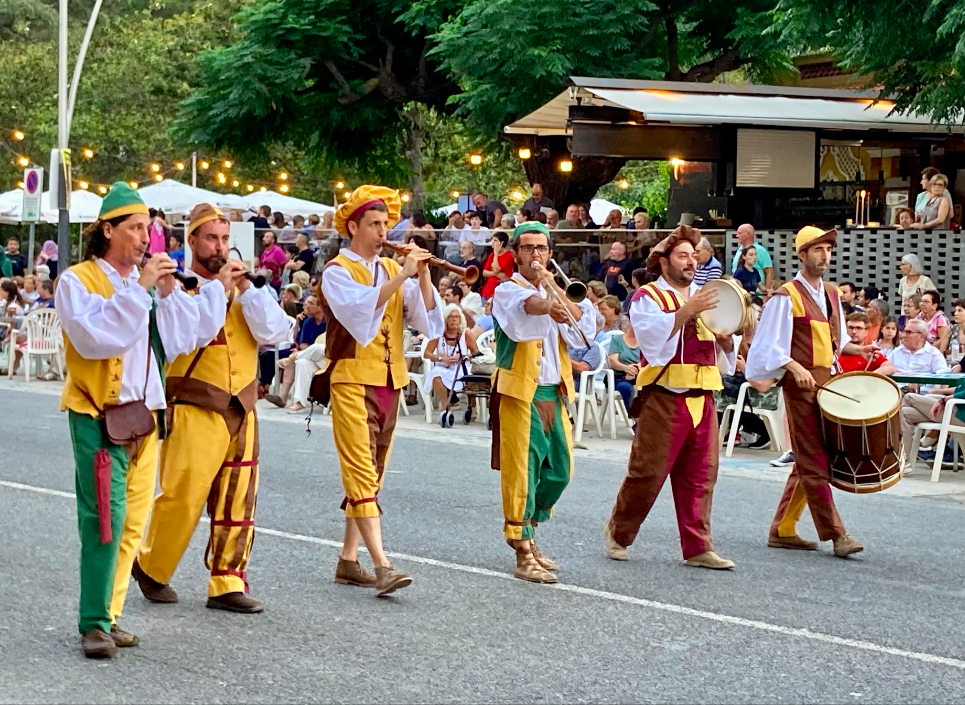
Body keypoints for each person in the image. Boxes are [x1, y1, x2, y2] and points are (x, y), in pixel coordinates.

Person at [56, 182, 208, 658]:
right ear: (108, 230)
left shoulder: (140, 286)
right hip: (98, 416)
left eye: (149, 229)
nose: (146, 238)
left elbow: (185, 338)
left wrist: (169, 294)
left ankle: (110, 614)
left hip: (145, 416)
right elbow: (97, 339)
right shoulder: (76, 281)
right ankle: (93, 623)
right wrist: (142, 289)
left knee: (132, 523)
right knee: (105, 519)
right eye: (136, 228)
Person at [132, 203, 290, 616]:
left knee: (239, 498)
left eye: (224, 239)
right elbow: (185, 339)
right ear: (193, 241)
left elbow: (276, 332)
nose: (220, 247)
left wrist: (251, 291)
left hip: (243, 405)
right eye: (211, 238)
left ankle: (227, 580)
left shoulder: (245, 289)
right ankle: (151, 565)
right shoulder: (179, 287)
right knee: (183, 495)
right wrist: (216, 288)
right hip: (194, 403)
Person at [318, 185, 439, 596]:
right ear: (353, 227)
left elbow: (425, 320)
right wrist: (403, 272)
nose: (382, 231)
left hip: (390, 378)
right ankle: (383, 565)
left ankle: (348, 561)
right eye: (374, 224)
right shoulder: (337, 270)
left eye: (385, 223)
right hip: (352, 378)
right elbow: (358, 312)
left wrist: (421, 273)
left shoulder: (391, 268)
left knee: (372, 474)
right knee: (361, 472)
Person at [603, 225, 736, 570]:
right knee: (648, 473)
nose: (691, 262)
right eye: (683, 256)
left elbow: (721, 359)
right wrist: (687, 310)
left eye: (694, 256)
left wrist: (726, 344)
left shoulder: (705, 297)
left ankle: (698, 547)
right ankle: (619, 532)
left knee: (701, 475)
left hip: (703, 397)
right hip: (664, 396)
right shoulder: (647, 296)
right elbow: (651, 343)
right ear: (663, 262)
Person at [745, 226, 869, 558]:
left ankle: (782, 529)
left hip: (827, 383)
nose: (825, 255)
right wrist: (793, 367)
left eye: (828, 249)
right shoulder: (786, 295)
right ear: (801, 255)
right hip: (800, 386)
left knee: (811, 458)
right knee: (814, 458)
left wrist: (860, 349)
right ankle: (836, 534)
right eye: (818, 249)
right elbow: (766, 347)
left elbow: (838, 341)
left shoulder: (830, 293)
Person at [491, 221, 595, 583]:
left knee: (560, 472)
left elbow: (582, 329)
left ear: (551, 254)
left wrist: (560, 294)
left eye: (542, 249)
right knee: (523, 471)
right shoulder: (507, 291)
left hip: (555, 391)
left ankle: (530, 531)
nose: (536, 255)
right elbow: (531, 308)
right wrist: (549, 300)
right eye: (528, 248)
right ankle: (522, 548)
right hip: (522, 391)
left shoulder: (559, 290)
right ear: (516, 254)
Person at [896, 318, 952, 467]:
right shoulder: (898, 351)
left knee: (908, 398)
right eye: (904, 331)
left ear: (921, 335)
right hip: (901, 393)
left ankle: (894, 454)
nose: (903, 335)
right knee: (905, 412)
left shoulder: (933, 353)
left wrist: (936, 392)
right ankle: (903, 462)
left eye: (908, 332)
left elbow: (944, 376)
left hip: (932, 399)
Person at [266, 295, 327, 412]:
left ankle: (292, 358)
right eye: (306, 303)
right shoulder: (308, 322)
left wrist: (306, 350)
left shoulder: (330, 320)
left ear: (320, 307)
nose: (306, 306)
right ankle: (299, 401)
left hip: (327, 358)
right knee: (302, 362)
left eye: (310, 303)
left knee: (319, 347)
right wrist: (298, 323)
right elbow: (302, 344)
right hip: (312, 358)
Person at [424, 304, 478, 407]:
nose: (454, 320)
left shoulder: (465, 334)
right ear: (445, 320)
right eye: (450, 317)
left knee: (469, 376)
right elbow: (426, 353)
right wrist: (441, 358)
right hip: (444, 367)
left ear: (460, 319)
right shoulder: (438, 334)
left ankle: (472, 406)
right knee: (436, 373)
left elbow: (476, 353)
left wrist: (463, 356)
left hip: (462, 368)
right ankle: (446, 407)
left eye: (456, 317)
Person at [607, 317, 640, 408]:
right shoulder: (617, 339)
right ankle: (633, 417)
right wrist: (626, 368)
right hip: (620, 375)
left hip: (641, 375)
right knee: (626, 388)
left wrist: (635, 368)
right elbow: (613, 361)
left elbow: (649, 359)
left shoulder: (646, 341)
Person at [731, 224, 773, 290]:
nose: (737, 236)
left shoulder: (761, 250)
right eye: (751, 255)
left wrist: (766, 295)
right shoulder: (739, 250)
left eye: (739, 233)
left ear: (748, 234)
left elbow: (769, 272)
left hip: (758, 295)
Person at [481, 231, 513, 299]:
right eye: (492, 239)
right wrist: (496, 274)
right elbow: (484, 272)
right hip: (487, 291)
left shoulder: (509, 256)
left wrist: (496, 253)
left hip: (499, 291)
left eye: (495, 240)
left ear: (502, 243)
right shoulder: (491, 255)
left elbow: (496, 269)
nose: (492, 242)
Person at [919, 290, 950, 354]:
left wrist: (928, 350)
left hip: (933, 352)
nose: (922, 304)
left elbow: (943, 340)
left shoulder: (940, 319)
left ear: (934, 306)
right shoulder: (919, 317)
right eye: (921, 301)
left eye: (926, 302)